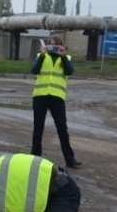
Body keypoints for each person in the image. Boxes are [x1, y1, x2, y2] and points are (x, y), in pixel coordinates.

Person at [30, 36, 83, 168]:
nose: (53, 48)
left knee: (62, 129)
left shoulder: (67, 58)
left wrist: (63, 56)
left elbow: (70, 72)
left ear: (61, 46)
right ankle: (35, 157)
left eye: (56, 45)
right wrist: (42, 55)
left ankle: (70, 160)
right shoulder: (41, 56)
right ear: (47, 46)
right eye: (50, 45)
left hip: (57, 98)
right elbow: (34, 70)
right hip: (41, 96)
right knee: (38, 128)